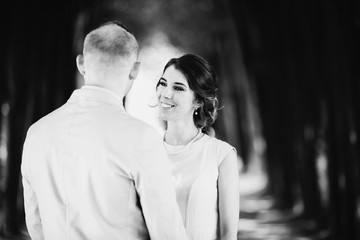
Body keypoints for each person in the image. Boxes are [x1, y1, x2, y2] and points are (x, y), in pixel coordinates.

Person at [21, 21, 188, 240]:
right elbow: (166, 230)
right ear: (135, 69)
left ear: (81, 64)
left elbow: (35, 223)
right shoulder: (140, 137)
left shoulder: (36, 133)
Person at [155, 54, 240, 240]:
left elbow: (229, 234)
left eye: (178, 88)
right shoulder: (146, 152)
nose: (166, 93)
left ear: (198, 101)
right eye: (163, 83)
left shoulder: (222, 155)